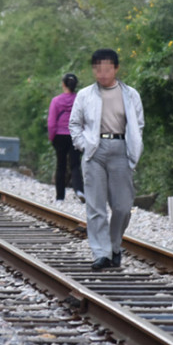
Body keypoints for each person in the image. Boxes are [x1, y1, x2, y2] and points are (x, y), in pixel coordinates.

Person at [69, 49, 145, 271]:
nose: (102, 74)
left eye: (107, 69)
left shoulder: (131, 94)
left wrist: (134, 147)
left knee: (122, 206)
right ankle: (101, 253)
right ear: (93, 70)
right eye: (98, 69)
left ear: (116, 68)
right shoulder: (85, 95)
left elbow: (138, 124)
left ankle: (114, 246)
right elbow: (75, 124)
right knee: (96, 206)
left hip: (121, 148)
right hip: (94, 151)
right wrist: (83, 144)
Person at [48, 73, 84, 204]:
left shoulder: (56, 101)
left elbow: (51, 122)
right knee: (75, 164)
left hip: (60, 135)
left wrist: (52, 138)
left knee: (61, 166)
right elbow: (84, 119)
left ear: (63, 84)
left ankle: (60, 197)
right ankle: (79, 190)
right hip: (75, 135)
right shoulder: (80, 100)